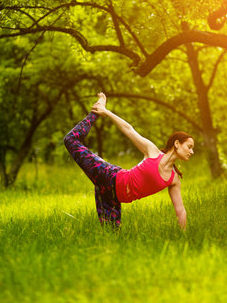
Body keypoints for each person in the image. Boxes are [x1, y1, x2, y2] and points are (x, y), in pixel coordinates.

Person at [64, 93, 194, 229]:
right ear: (177, 143)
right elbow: (129, 129)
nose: (192, 152)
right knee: (70, 140)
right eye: (189, 147)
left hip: (113, 197)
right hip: (109, 176)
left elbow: (180, 210)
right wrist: (106, 112)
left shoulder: (174, 180)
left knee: (111, 236)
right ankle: (96, 111)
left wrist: (183, 234)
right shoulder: (153, 152)